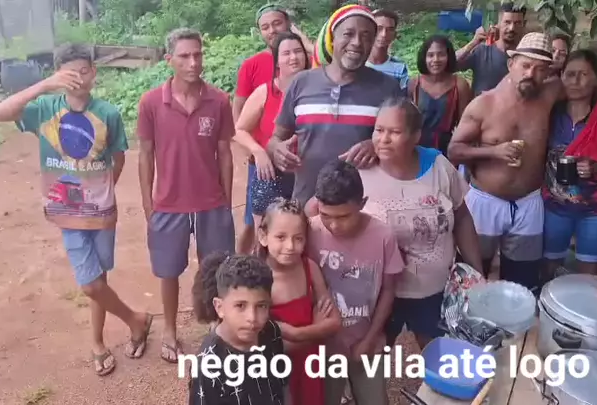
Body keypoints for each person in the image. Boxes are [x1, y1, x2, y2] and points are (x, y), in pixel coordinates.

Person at [0, 43, 153, 376]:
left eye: (84, 71)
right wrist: (44, 86)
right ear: (57, 76)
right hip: (66, 211)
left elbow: (118, 157)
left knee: (99, 279)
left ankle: (97, 342)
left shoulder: (107, 113)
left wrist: (101, 188)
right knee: (90, 284)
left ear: (94, 73)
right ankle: (135, 319)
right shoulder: (44, 109)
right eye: (69, 73)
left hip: (102, 211)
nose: (78, 78)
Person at [136, 28, 236, 363]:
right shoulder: (151, 103)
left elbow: (225, 153)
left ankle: (217, 328)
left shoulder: (219, 101)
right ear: (169, 60)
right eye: (184, 56)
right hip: (168, 204)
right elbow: (145, 155)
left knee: (217, 269)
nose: (193, 62)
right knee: (168, 271)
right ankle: (169, 330)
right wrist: (149, 205)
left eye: (198, 54)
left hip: (211, 203)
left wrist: (225, 200)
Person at [358, 97, 482, 349]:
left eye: (395, 132)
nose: (383, 139)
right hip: (379, 292)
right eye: (379, 130)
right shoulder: (360, 170)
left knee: (437, 351)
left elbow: (462, 217)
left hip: (433, 290)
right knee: (376, 352)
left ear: (415, 136)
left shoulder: (438, 166)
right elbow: (321, 210)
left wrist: (477, 273)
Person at [448, 32, 564, 291]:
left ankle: (516, 317)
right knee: (472, 276)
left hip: (528, 203)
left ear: (548, 73)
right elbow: (454, 150)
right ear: (511, 64)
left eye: (540, 69)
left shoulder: (549, 95)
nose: (530, 74)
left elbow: (589, 85)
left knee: (522, 281)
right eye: (525, 65)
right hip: (485, 200)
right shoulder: (484, 104)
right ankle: (469, 316)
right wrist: (494, 152)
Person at [269, 4, 401, 208]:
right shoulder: (302, 82)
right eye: (348, 33)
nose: (357, 42)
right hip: (306, 204)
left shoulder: (387, 87)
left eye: (366, 36)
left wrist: (376, 145)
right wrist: (276, 149)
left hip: (365, 209)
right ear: (332, 38)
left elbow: (405, 143)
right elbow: (276, 138)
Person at [307, 160, 405, 405]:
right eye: (326, 215)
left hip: (367, 342)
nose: (334, 225)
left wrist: (370, 339)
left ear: (362, 204)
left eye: (343, 216)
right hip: (323, 347)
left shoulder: (383, 236)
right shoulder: (309, 233)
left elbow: (388, 290)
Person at [234, 3, 313, 254]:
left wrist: (303, 40)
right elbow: (239, 128)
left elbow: (325, 58)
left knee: (305, 238)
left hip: (309, 173)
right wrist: (257, 151)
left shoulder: (318, 86)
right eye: (286, 53)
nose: (293, 58)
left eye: (297, 52)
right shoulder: (266, 90)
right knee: (266, 239)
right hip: (271, 172)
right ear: (277, 61)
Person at [256, 198, 341, 405]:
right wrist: (316, 330)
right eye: (281, 237)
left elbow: (334, 322)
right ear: (263, 236)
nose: (290, 246)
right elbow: (268, 346)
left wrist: (296, 334)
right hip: (275, 370)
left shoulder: (309, 267)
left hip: (310, 366)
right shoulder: (257, 280)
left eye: (298, 238)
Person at [189, 253, 287, 405]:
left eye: (261, 306)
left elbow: (280, 387)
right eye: (240, 305)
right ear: (219, 307)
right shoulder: (207, 365)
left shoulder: (271, 332)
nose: (252, 318)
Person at [543, 50, 597, 278]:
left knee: (589, 275)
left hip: (595, 211)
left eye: (583, 74)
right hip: (554, 207)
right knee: (548, 269)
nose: (575, 81)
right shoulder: (549, 112)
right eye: (569, 74)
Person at [408, 35, 472, 156]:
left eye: (441, 54)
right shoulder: (414, 84)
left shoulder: (460, 85)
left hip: (447, 150)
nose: (436, 59)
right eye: (430, 55)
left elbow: (465, 124)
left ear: (449, 57)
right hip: (417, 149)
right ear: (424, 58)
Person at [456, 3, 527, 96]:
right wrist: (473, 43)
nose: (511, 28)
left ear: (524, 24)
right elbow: (449, 65)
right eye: (507, 22)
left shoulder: (527, 57)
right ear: (498, 23)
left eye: (517, 23)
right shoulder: (482, 51)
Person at [366, 9, 409, 90]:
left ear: (394, 35)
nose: (384, 34)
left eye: (390, 30)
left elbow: (402, 96)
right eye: (379, 28)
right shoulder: (358, 63)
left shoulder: (399, 67)